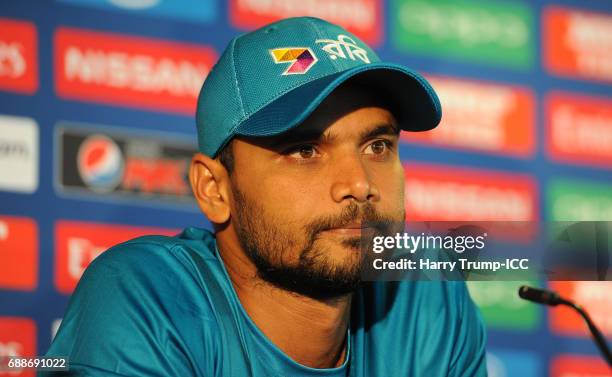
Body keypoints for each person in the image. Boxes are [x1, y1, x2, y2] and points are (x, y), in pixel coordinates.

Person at [44, 17, 487, 376]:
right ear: (215, 190)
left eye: (378, 146)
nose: (358, 183)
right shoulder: (149, 298)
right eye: (304, 150)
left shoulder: (427, 297)